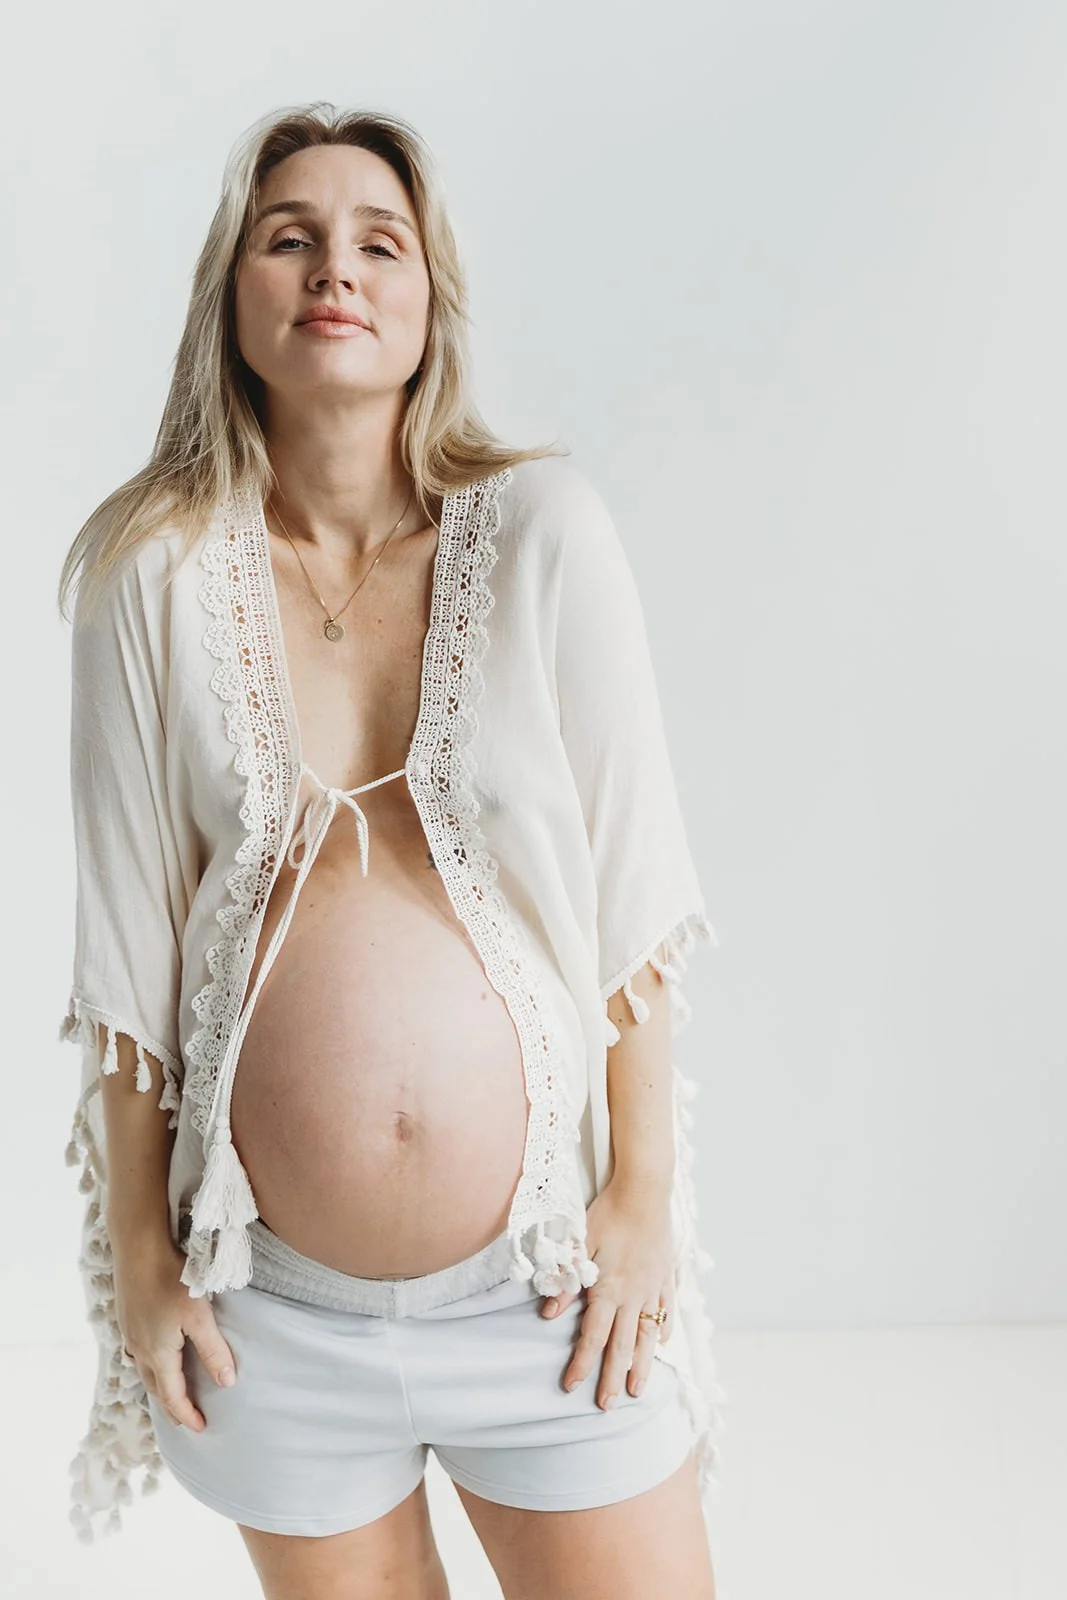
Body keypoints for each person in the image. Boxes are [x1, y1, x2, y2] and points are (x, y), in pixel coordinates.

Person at [58, 101, 726, 1598]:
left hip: (548, 1294)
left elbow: (639, 901)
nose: (332, 271)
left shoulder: (546, 529)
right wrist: (143, 1270)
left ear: (431, 304)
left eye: (378, 242)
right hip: (274, 1318)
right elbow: (124, 957)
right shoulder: (149, 575)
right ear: (232, 297)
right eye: (286, 239)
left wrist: (637, 1209)